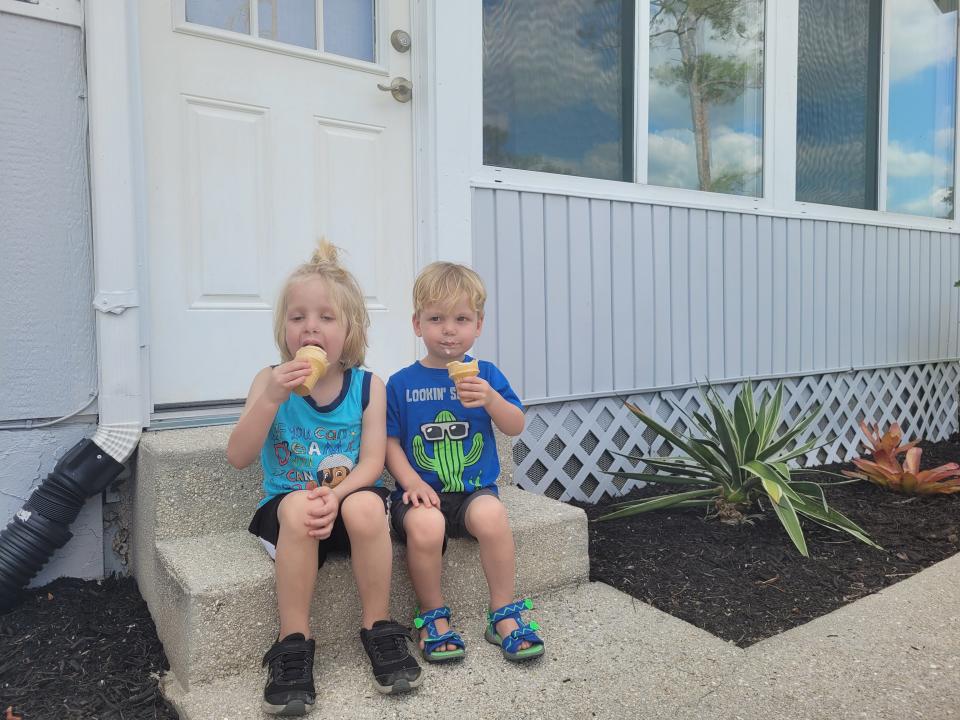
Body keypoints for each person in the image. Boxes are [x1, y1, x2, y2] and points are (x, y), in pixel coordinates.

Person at [226, 240, 421, 716]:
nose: (310, 326)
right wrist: (270, 398)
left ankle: (378, 625)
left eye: (326, 317)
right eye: (297, 317)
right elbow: (237, 456)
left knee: (367, 503)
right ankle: (293, 641)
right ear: (284, 329)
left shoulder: (367, 385)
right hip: (291, 510)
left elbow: (373, 463)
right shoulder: (269, 380)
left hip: (349, 501)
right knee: (296, 505)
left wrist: (340, 493)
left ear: (349, 330)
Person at [385, 262, 545, 665]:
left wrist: (492, 399)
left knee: (493, 516)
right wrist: (409, 483)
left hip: (474, 491)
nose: (449, 329)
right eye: (436, 319)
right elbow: (389, 442)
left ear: (479, 325)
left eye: (461, 319)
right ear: (417, 324)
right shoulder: (401, 383)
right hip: (421, 495)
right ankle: (433, 615)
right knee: (427, 525)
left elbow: (515, 425)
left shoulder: (485, 374)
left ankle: (503, 613)